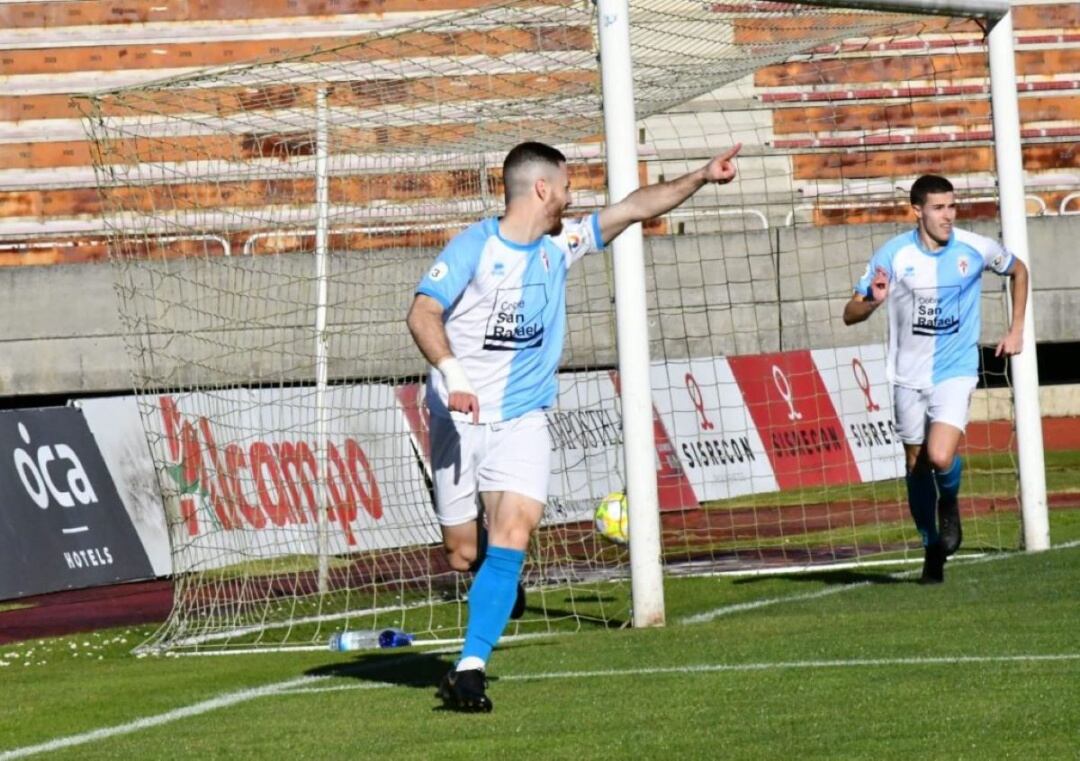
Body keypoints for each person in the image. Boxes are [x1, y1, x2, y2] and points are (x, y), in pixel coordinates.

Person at [406, 140, 741, 711]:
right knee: (464, 555)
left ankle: (468, 669)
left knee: (517, 529)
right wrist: (454, 375)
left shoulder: (560, 246)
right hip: (459, 418)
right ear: (541, 188)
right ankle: (494, 570)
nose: (572, 194)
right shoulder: (475, 248)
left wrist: (703, 177)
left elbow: (634, 207)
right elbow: (421, 312)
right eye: (565, 184)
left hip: (525, 416)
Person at [842, 174, 1028, 584]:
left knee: (940, 456)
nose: (948, 216)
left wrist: (1016, 330)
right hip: (907, 376)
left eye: (952, 206)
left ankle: (951, 502)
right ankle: (931, 549)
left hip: (955, 370)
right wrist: (873, 300)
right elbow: (850, 313)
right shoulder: (892, 256)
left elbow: (1019, 271)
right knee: (915, 464)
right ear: (917, 211)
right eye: (939, 208)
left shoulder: (974, 248)